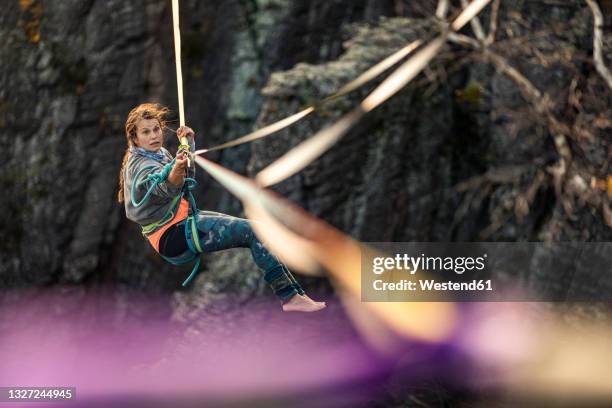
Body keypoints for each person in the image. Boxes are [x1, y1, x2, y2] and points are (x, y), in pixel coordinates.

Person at [118, 103, 326, 312]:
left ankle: (295, 294)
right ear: (135, 138)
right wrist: (175, 170)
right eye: (146, 132)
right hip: (173, 235)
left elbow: (186, 180)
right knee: (255, 231)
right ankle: (289, 298)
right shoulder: (142, 166)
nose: (154, 135)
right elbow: (165, 188)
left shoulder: (158, 153)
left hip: (181, 224)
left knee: (259, 230)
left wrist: (188, 145)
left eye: (156, 129)